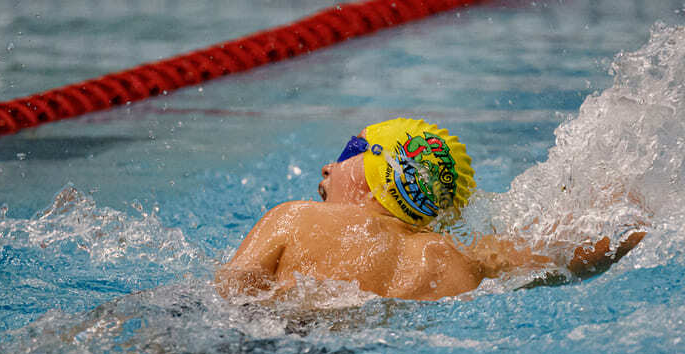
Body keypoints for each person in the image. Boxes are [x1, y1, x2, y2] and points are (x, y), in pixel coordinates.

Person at [215, 118, 644, 301]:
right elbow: (568, 258)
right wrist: (639, 221)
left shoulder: (295, 217)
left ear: (384, 171)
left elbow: (229, 294)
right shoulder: (455, 261)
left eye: (348, 151)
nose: (327, 166)